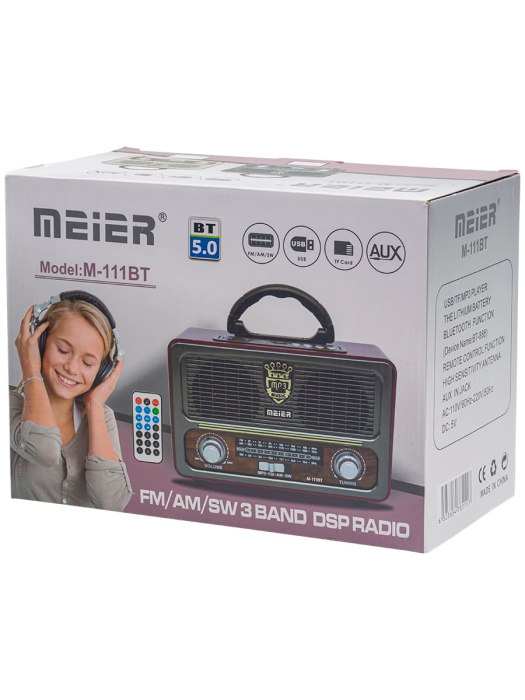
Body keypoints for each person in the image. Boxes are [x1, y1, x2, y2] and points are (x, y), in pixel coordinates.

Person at [10, 294, 132, 511]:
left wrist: (94, 406)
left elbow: (112, 502)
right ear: (40, 344)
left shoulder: (102, 416)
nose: (72, 368)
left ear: (103, 371)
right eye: (63, 351)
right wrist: (31, 370)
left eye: (88, 363)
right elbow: (44, 450)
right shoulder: (9, 404)